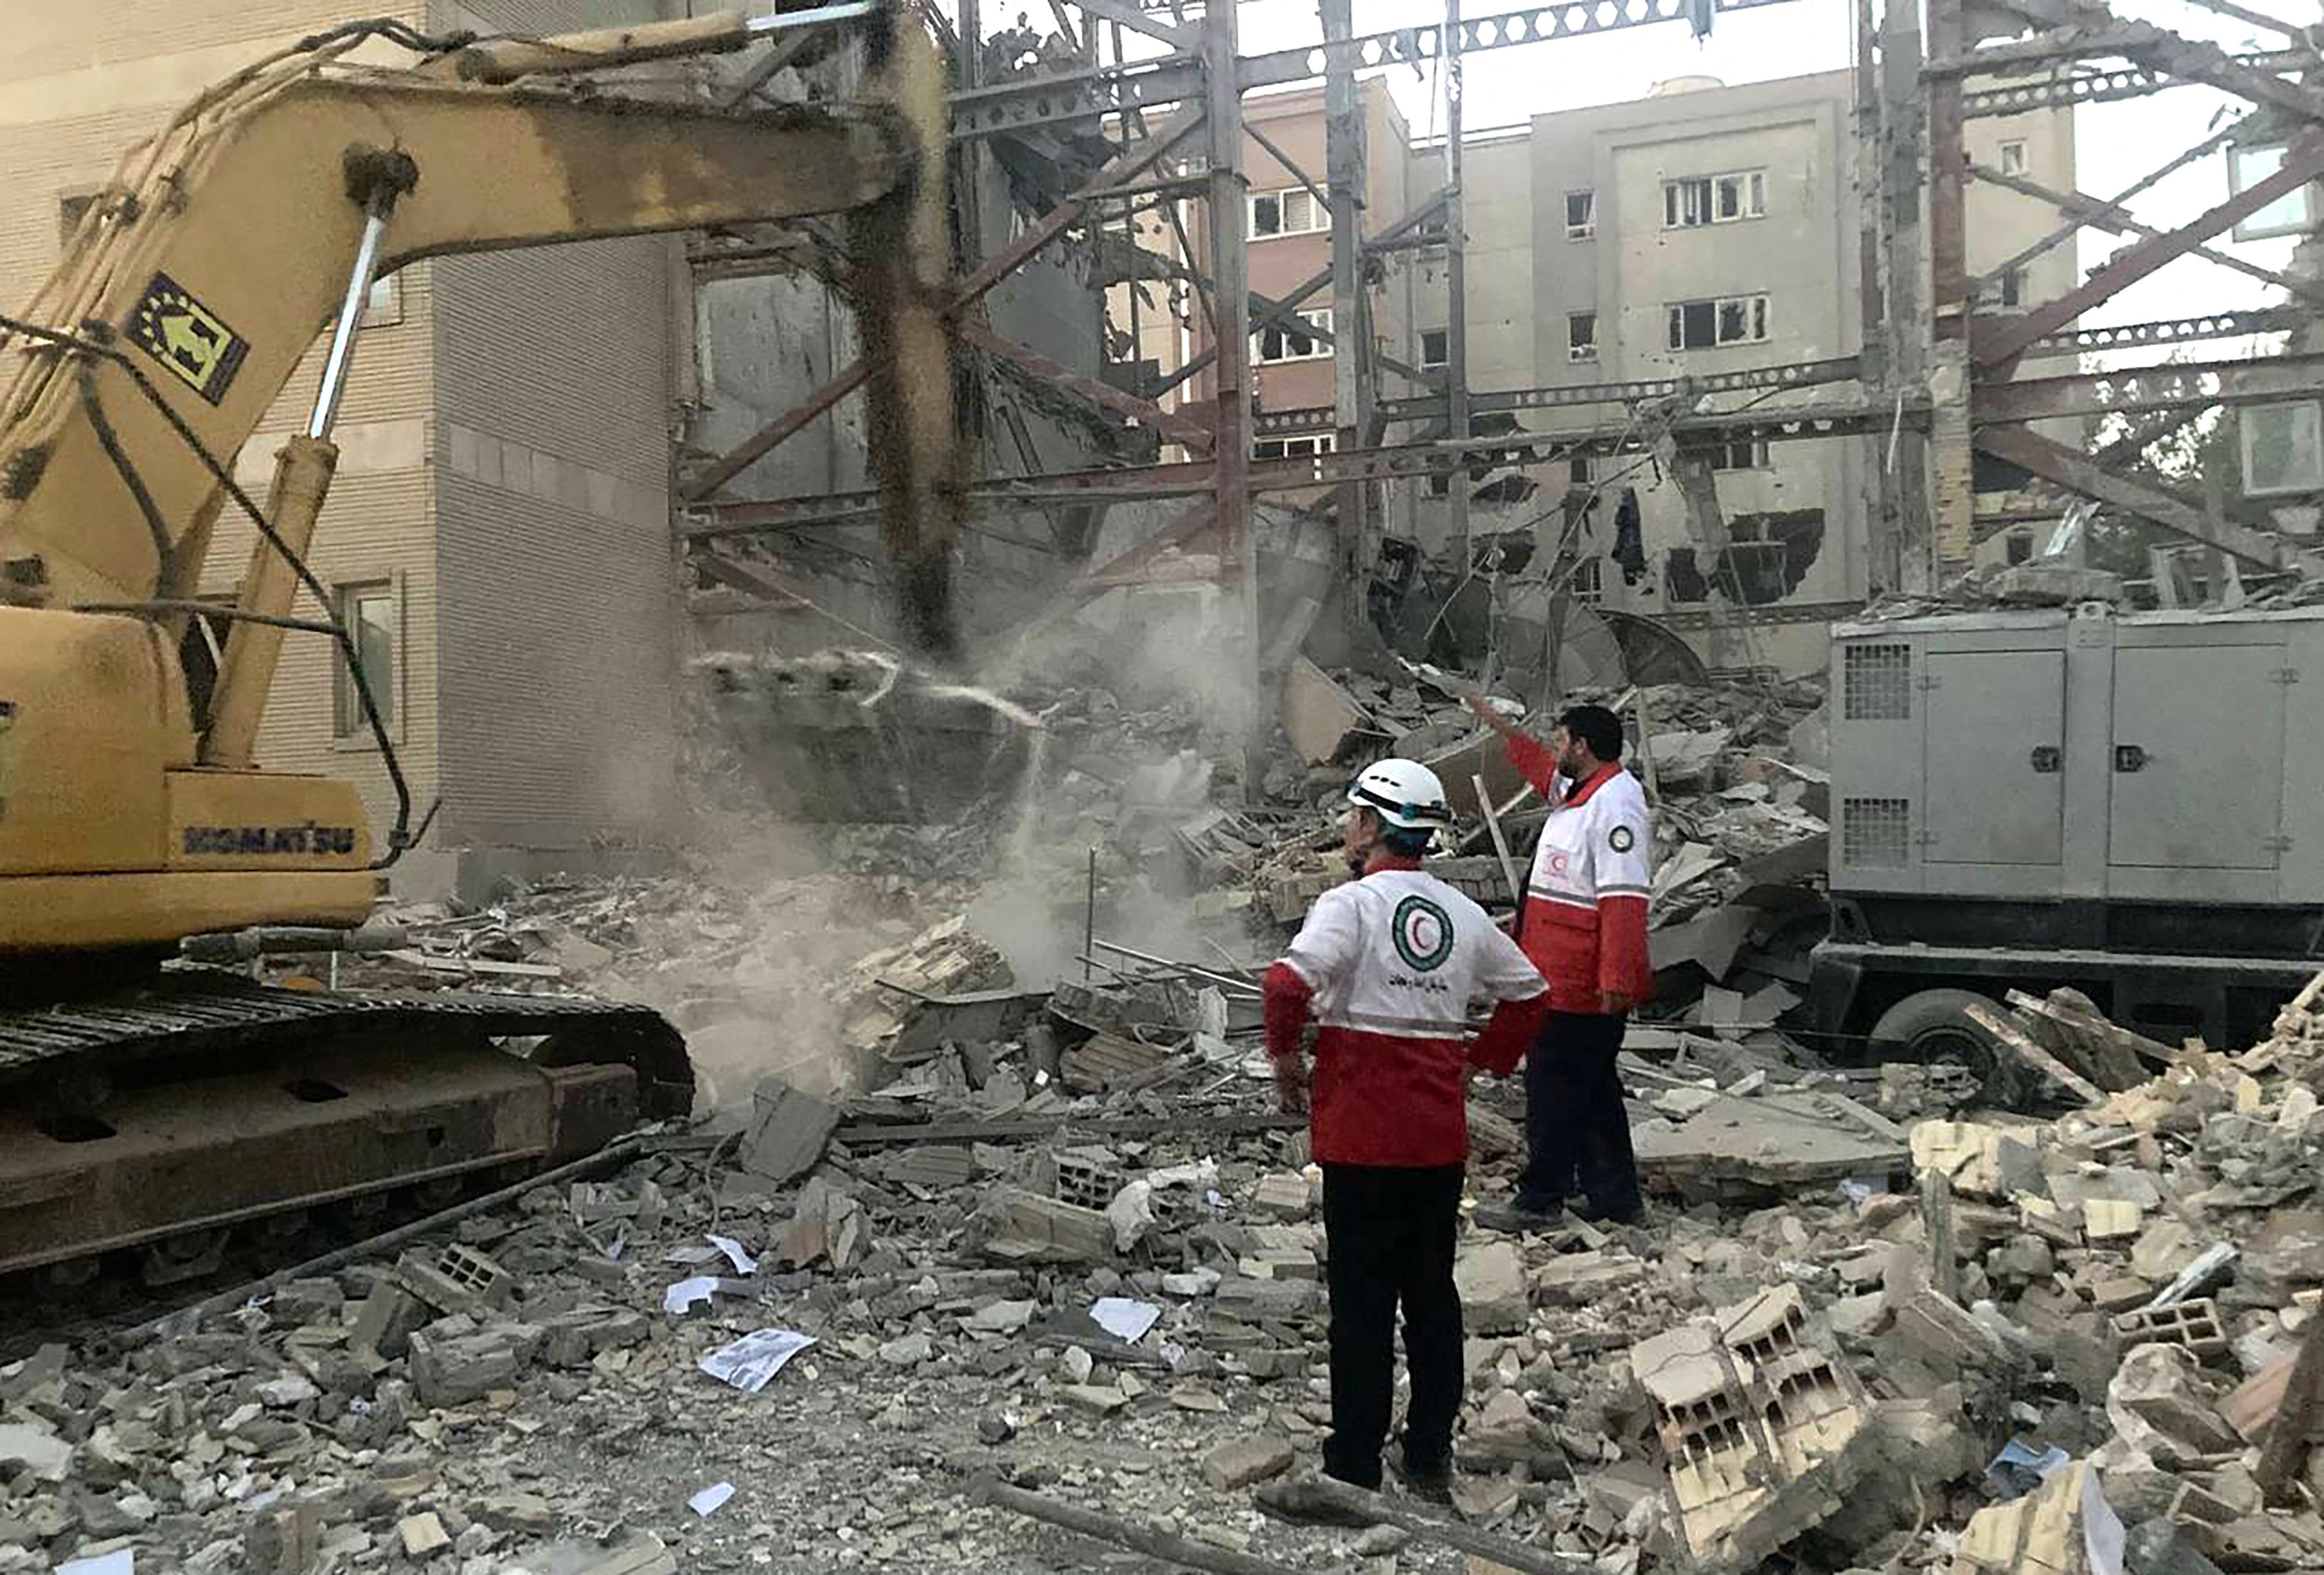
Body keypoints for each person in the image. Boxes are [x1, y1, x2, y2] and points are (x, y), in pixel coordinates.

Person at [1264, 758, 1548, 1498]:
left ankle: (1352, 1469)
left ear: (1369, 823)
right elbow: (1530, 993)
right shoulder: (1460, 913)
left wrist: (1287, 1063)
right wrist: (1481, 1063)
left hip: (1360, 1139)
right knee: (1430, 1300)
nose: (1346, 827)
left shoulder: (1350, 905)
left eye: (1352, 814)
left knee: (1361, 1306)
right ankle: (1426, 1456)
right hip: (1434, 1143)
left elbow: (1285, 985)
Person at [1466, 698, 1653, 1231]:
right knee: (1593, 1091)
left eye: (1561, 739)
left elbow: (1624, 898)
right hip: (1559, 973)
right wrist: (1503, 731)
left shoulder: (1615, 807)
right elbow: (1544, 772)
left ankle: (1540, 1199)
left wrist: (1616, 977)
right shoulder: (1581, 792)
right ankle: (1615, 1197)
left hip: (1580, 983)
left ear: (1583, 747)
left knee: (1553, 1091)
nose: (1555, 747)